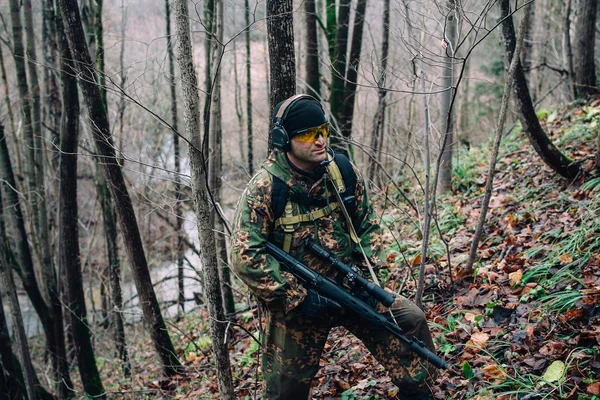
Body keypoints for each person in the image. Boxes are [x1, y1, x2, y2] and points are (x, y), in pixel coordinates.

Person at [231, 94, 438, 399]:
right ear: (284, 139)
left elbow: (368, 225)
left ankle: (419, 393)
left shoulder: (341, 171)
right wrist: (298, 297)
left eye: (323, 131)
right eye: (307, 134)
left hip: (351, 286)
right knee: (284, 390)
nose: (319, 141)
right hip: (299, 303)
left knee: (410, 322)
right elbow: (245, 255)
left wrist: (371, 273)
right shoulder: (266, 188)